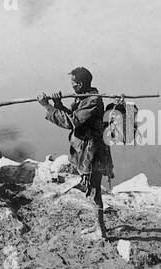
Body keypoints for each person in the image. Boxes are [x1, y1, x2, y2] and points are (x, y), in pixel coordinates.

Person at [38, 67, 115, 240]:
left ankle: (100, 230)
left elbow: (70, 122)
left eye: (73, 83)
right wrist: (58, 105)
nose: (71, 86)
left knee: (94, 190)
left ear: (80, 84)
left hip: (93, 152)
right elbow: (74, 116)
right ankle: (98, 225)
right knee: (92, 189)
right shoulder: (84, 98)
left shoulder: (92, 101)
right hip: (88, 150)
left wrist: (47, 106)